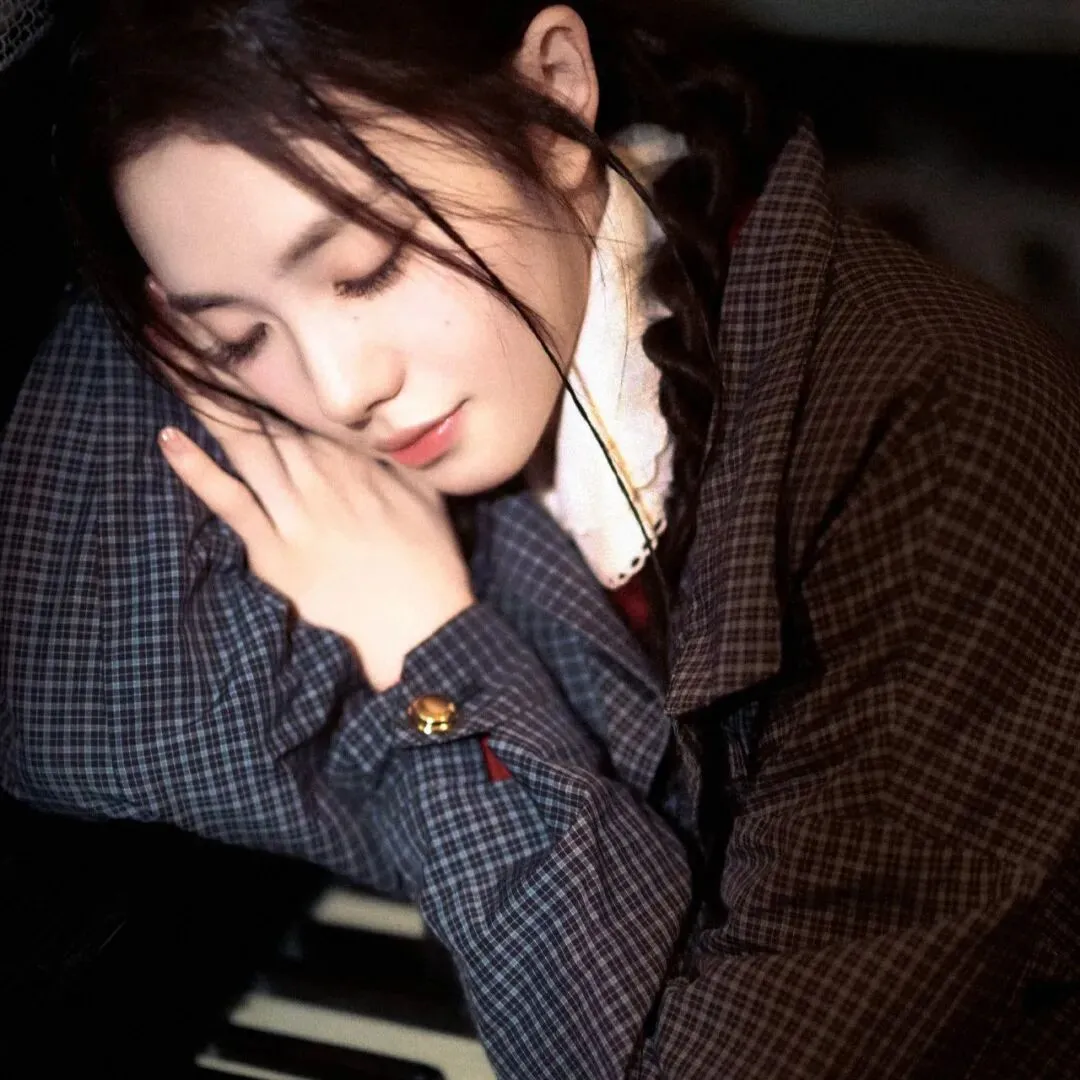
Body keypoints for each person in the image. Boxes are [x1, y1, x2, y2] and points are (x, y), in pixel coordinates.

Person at [2, 1, 1079, 1076]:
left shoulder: (942, 446)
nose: (339, 389)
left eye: (369, 265)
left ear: (553, 90)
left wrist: (426, 649)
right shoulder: (474, 389)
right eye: (240, 337)